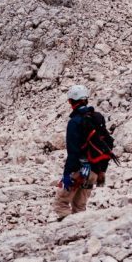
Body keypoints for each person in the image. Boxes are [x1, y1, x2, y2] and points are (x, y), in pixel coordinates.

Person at [54, 84, 114, 219]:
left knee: (60, 204)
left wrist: (66, 175)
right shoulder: (97, 117)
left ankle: (68, 230)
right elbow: (105, 143)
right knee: (80, 207)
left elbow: (73, 153)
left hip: (79, 172)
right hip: (94, 171)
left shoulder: (74, 122)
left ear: (71, 101)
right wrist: (101, 172)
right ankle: (79, 234)